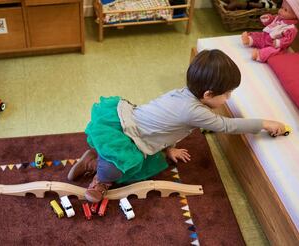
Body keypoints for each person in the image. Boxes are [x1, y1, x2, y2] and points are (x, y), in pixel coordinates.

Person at [68, 49, 286, 203]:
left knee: (138, 167)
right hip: (131, 135)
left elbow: (165, 128)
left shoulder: (183, 93)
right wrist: (265, 123)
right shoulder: (196, 112)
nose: (228, 98)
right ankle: (98, 173)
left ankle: (94, 160)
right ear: (208, 94)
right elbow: (227, 126)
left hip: (132, 121)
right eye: (227, 94)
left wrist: (167, 148)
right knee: (120, 168)